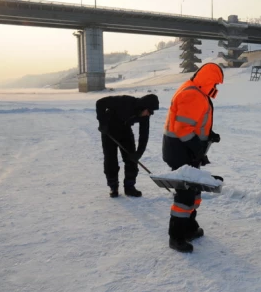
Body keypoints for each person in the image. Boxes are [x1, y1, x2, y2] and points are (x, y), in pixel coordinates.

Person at [162, 62, 224, 253]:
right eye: (215, 83)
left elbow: (196, 122)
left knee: (193, 190)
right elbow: (183, 129)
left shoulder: (197, 91)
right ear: (209, 80)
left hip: (185, 149)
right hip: (180, 150)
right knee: (185, 194)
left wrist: (208, 135)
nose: (216, 88)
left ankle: (189, 228)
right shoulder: (192, 94)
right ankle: (177, 236)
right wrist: (198, 146)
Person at [96, 94, 159, 198]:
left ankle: (129, 187)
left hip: (125, 130)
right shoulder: (125, 101)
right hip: (109, 130)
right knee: (110, 159)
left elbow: (144, 135)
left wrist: (138, 154)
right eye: (149, 111)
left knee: (131, 159)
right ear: (143, 106)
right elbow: (100, 103)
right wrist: (102, 123)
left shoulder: (145, 116)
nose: (150, 114)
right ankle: (113, 187)